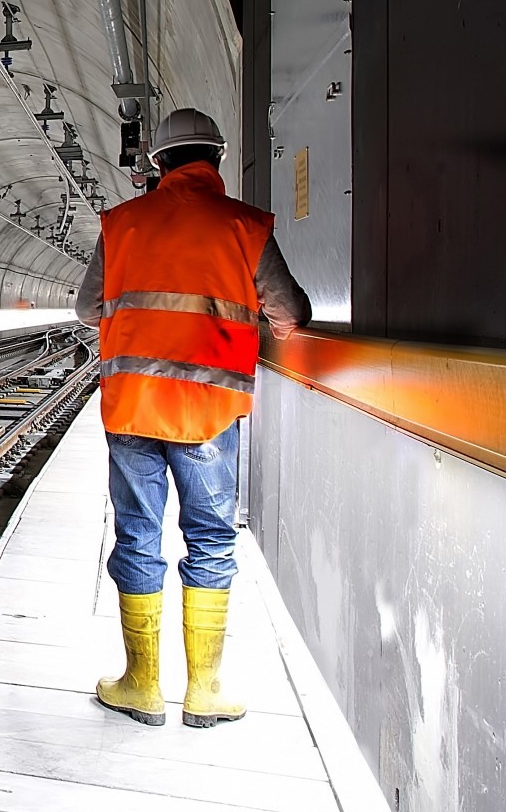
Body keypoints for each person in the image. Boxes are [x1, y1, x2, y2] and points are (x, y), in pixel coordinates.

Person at [74, 107, 310, 729]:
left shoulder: (120, 224)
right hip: (208, 412)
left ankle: (141, 684)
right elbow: (291, 312)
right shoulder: (245, 226)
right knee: (209, 537)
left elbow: (85, 307)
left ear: (157, 163)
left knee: (138, 532)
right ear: (217, 158)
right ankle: (203, 690)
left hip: (132, 409)